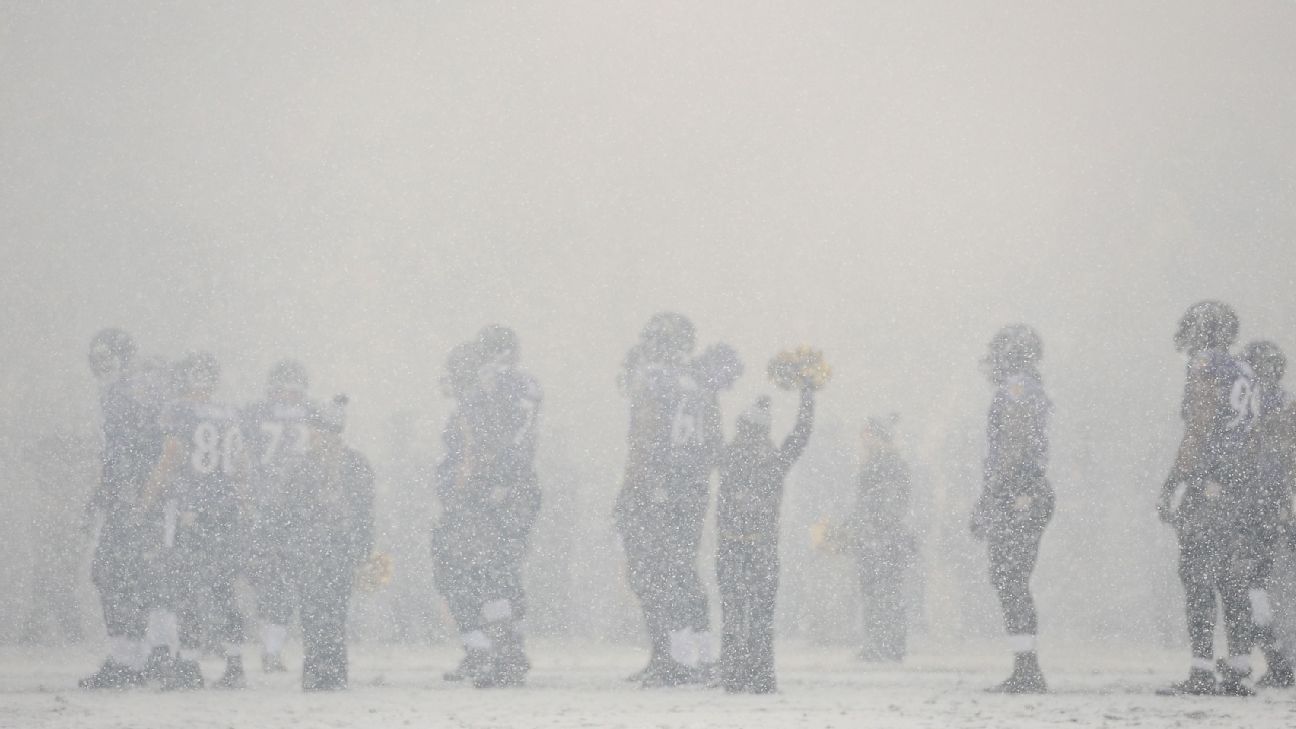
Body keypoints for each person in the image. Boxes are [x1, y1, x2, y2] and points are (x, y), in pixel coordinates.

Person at [1157, 301, 1260, 696]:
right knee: (1233, 578)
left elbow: (1199, 427)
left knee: (1197, 574)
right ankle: (1239, 668)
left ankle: (1201, 670)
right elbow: (1251, 434)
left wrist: (1177, 482)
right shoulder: (1245, 370)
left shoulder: (1204, 365)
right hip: (1240, 483)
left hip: (1210, 481)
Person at [616, 313, 723, 687]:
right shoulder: (701, 384)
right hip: (689, 491)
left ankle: (673, 658)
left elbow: (646, 437)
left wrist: (648, 486)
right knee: (682, 571)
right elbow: (713, 444)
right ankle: (701, 655)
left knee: (654, 574)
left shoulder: (655, 379)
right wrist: (691, 483)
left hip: (654, 489)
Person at [139, 352, 249, 690]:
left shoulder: (180, 410)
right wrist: (243, 506)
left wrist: (145, 501)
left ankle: (187, 663)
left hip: (193, 513)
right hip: (227, 512)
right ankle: (234, 664)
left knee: (185, 586)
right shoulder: (229, 413)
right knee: (223, 588)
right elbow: (242, 464)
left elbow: (171, 456)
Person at [79, 328, 165, 689]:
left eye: (104, 359)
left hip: (133, 497)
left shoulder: (120, 393)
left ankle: (130, 658)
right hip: (149, 496)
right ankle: (152, 654)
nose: (99, 367)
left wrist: (119, 492)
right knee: (142, 577)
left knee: (115, 574)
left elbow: (124, 449)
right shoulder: (148, 388)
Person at [969, 324, 1053, 694]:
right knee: (1009, 579)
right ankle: (1025, 665)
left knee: (1010, 579)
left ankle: (1027, 668)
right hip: (1026, 491)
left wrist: (991, 494)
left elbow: (1014, 445)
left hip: (1018, 493)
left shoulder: (1016, 388)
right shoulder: (1030, 386)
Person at [716, 384, 815, 694]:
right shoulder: (773, 460)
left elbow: (708, 437)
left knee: (733, 613)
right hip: (762, 546)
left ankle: (733, 675)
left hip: (730, 544)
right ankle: (760, 676)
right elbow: (800, 435)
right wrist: (808, 396)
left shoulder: (729, 455)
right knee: (760, 615)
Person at [284, 395, 375, 691]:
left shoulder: (352, 466)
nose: (309, 434)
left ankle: (328, 669)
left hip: (333, 550)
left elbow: (364, 514)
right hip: (316, 550)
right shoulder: (305, 467)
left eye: (314, 428)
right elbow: (290, 512)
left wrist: (361, 552)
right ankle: (323, 668)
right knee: (317, 611)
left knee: (331, 611)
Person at [241, 359, 319, 672]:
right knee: (288, 580)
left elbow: (242, 457)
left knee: (274, 580)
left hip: (271, 506)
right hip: (297, 509)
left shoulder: (255, 414)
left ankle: (270, 649)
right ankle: (275, 649)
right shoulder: (314, 413)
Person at [1241, 339, 1295, 689]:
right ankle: (1277, 658)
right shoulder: (1286, 404)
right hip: (1277, 502)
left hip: (1259, 502)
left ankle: (1276, 659)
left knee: (1251, 584)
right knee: (1258, 584)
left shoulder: (1253, 405)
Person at [846, 416, 914, 663]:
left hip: (883, 538)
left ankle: (886, 645)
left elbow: (887, 503)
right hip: (880, 536)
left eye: (867, 435)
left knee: (883, 592)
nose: (863, 440)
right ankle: (882, 644)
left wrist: (873, 526)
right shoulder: (885, 463)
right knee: (880, 591)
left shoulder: (885, 464)